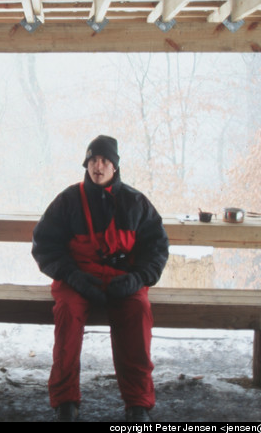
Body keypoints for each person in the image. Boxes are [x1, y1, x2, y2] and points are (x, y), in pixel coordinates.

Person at [31, 135, 169, 422]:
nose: (98, 166)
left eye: (105, 161)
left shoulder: (135, 202)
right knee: (67, 314)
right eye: (93, 160)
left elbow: (156, 248)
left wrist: (138, 278)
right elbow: (44, 245)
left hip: (123, 279)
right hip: (78, 279)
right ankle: (66, 401)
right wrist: (73, 276)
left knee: (138, 312)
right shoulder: (68, 200)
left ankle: (137, 403)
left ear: (115, 167)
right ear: (86, 164)